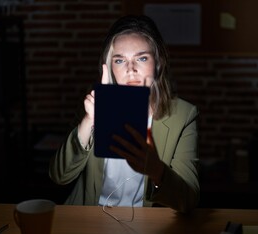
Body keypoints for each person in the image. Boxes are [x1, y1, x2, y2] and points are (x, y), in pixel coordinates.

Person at [49, 15, 200, 214]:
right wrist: (88, 122)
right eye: (119, 60)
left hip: (147, 224)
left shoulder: (183, 115)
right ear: (109, 67)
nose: (131, 69)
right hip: (89, 221)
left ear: (159, 62)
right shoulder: (94, 104)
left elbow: (188, 200)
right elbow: (59, 176)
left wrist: (156, 169)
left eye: (142, 58)